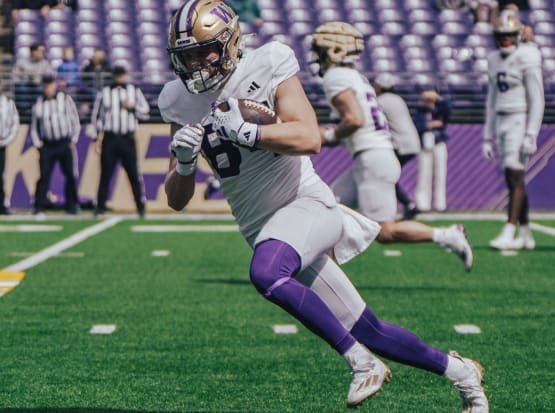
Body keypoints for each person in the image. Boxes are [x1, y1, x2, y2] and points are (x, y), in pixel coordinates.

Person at [159, 1, 488, 411]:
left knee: (266, 274)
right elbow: (175, 199)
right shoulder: (176, 99)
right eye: (185, 55)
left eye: (203, 51)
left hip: (308, 204)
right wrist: (186, 164)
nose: (195, 63)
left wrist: (248, 132)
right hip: (264, 229)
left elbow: (309, 137)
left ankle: (361, 362)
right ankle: (462, 373)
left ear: (230, 42)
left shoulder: (268, 62)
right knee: (371, 328)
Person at [313, 22, 473, 271]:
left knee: (384, 232)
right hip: (374, 156)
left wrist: (331, 136)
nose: (318, 55)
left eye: (321, 50)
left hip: (372, 158)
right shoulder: (356, 76)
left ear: (334, 51)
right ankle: (322, 273)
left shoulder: (337, 76)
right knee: (328, 207)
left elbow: (355, 119)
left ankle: (447, 235)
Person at [482, 10, 544, 250]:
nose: (504, 40)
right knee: (513, 177)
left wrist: (531, 132)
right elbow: (491, 98)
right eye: (501, 35)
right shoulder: (493, 59)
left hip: (520, 117)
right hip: (501, 119)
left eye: (509, 35)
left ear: (518, 35)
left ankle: (509, 229)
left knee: (514, 174)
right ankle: (526, 234)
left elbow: (536, 98)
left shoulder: (528, 56)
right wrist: (486, 136)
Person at [91, 66, 149, 217]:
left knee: (134, 175)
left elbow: (146, 112)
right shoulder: (104, 93)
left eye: (121, 75)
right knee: (105, 174)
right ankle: (100, 207)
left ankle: (140, 208)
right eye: (117, 75)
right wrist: (97, 137)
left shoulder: (134, 91)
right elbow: (97, 117)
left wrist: (133, 107)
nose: (119, 78)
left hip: (127, 138)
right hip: (110, 138)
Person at [372, 73, 421, 219]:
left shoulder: (381, 100)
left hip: (400, 143)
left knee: (386, 176)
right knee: (388, 176)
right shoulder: (397, 99)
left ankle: (407, 204)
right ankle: (407, 204)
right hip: (411, 142)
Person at [30, 75, 81, 214]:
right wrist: (38, 144)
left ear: (55, 85)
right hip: (48, 144)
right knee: (44, 175)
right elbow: (34, 127)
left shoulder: (65, 100)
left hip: (64, 142)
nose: (48, 89)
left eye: (50, 85)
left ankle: (72, 205)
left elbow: (75, 121)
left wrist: (73, 140)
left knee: (70, 174)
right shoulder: (39, 103)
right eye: (45, 86)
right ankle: (38, 205)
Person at [414, 88, 452, 212]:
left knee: (441, 174)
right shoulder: (420, 110)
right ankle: (423, 204)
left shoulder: (441, 107)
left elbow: (447, 112)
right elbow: (418, 125)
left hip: (438, 143)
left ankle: (440, 205)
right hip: (425, 145)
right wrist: (429, 124)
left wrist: (437, 99)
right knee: (424, 174)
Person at [13, 42, 54, 113]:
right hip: (25, 86)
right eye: (40, 51)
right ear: (33, 52)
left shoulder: (45, 64)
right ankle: (23, 110)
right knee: (21, 87)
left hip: (39, 86)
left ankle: (36, 108)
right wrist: (27, 78)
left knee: (39, 88)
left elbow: (49, 78)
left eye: (43, 51)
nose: (42, 53)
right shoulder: (21, 62)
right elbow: (15, 77)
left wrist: (37, 80)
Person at [0, 92, 20, 215]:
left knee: (0, 177)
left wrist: (4, 140)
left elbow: (14, 124)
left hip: (1, 146)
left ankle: (1, 205)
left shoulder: (7, 102)